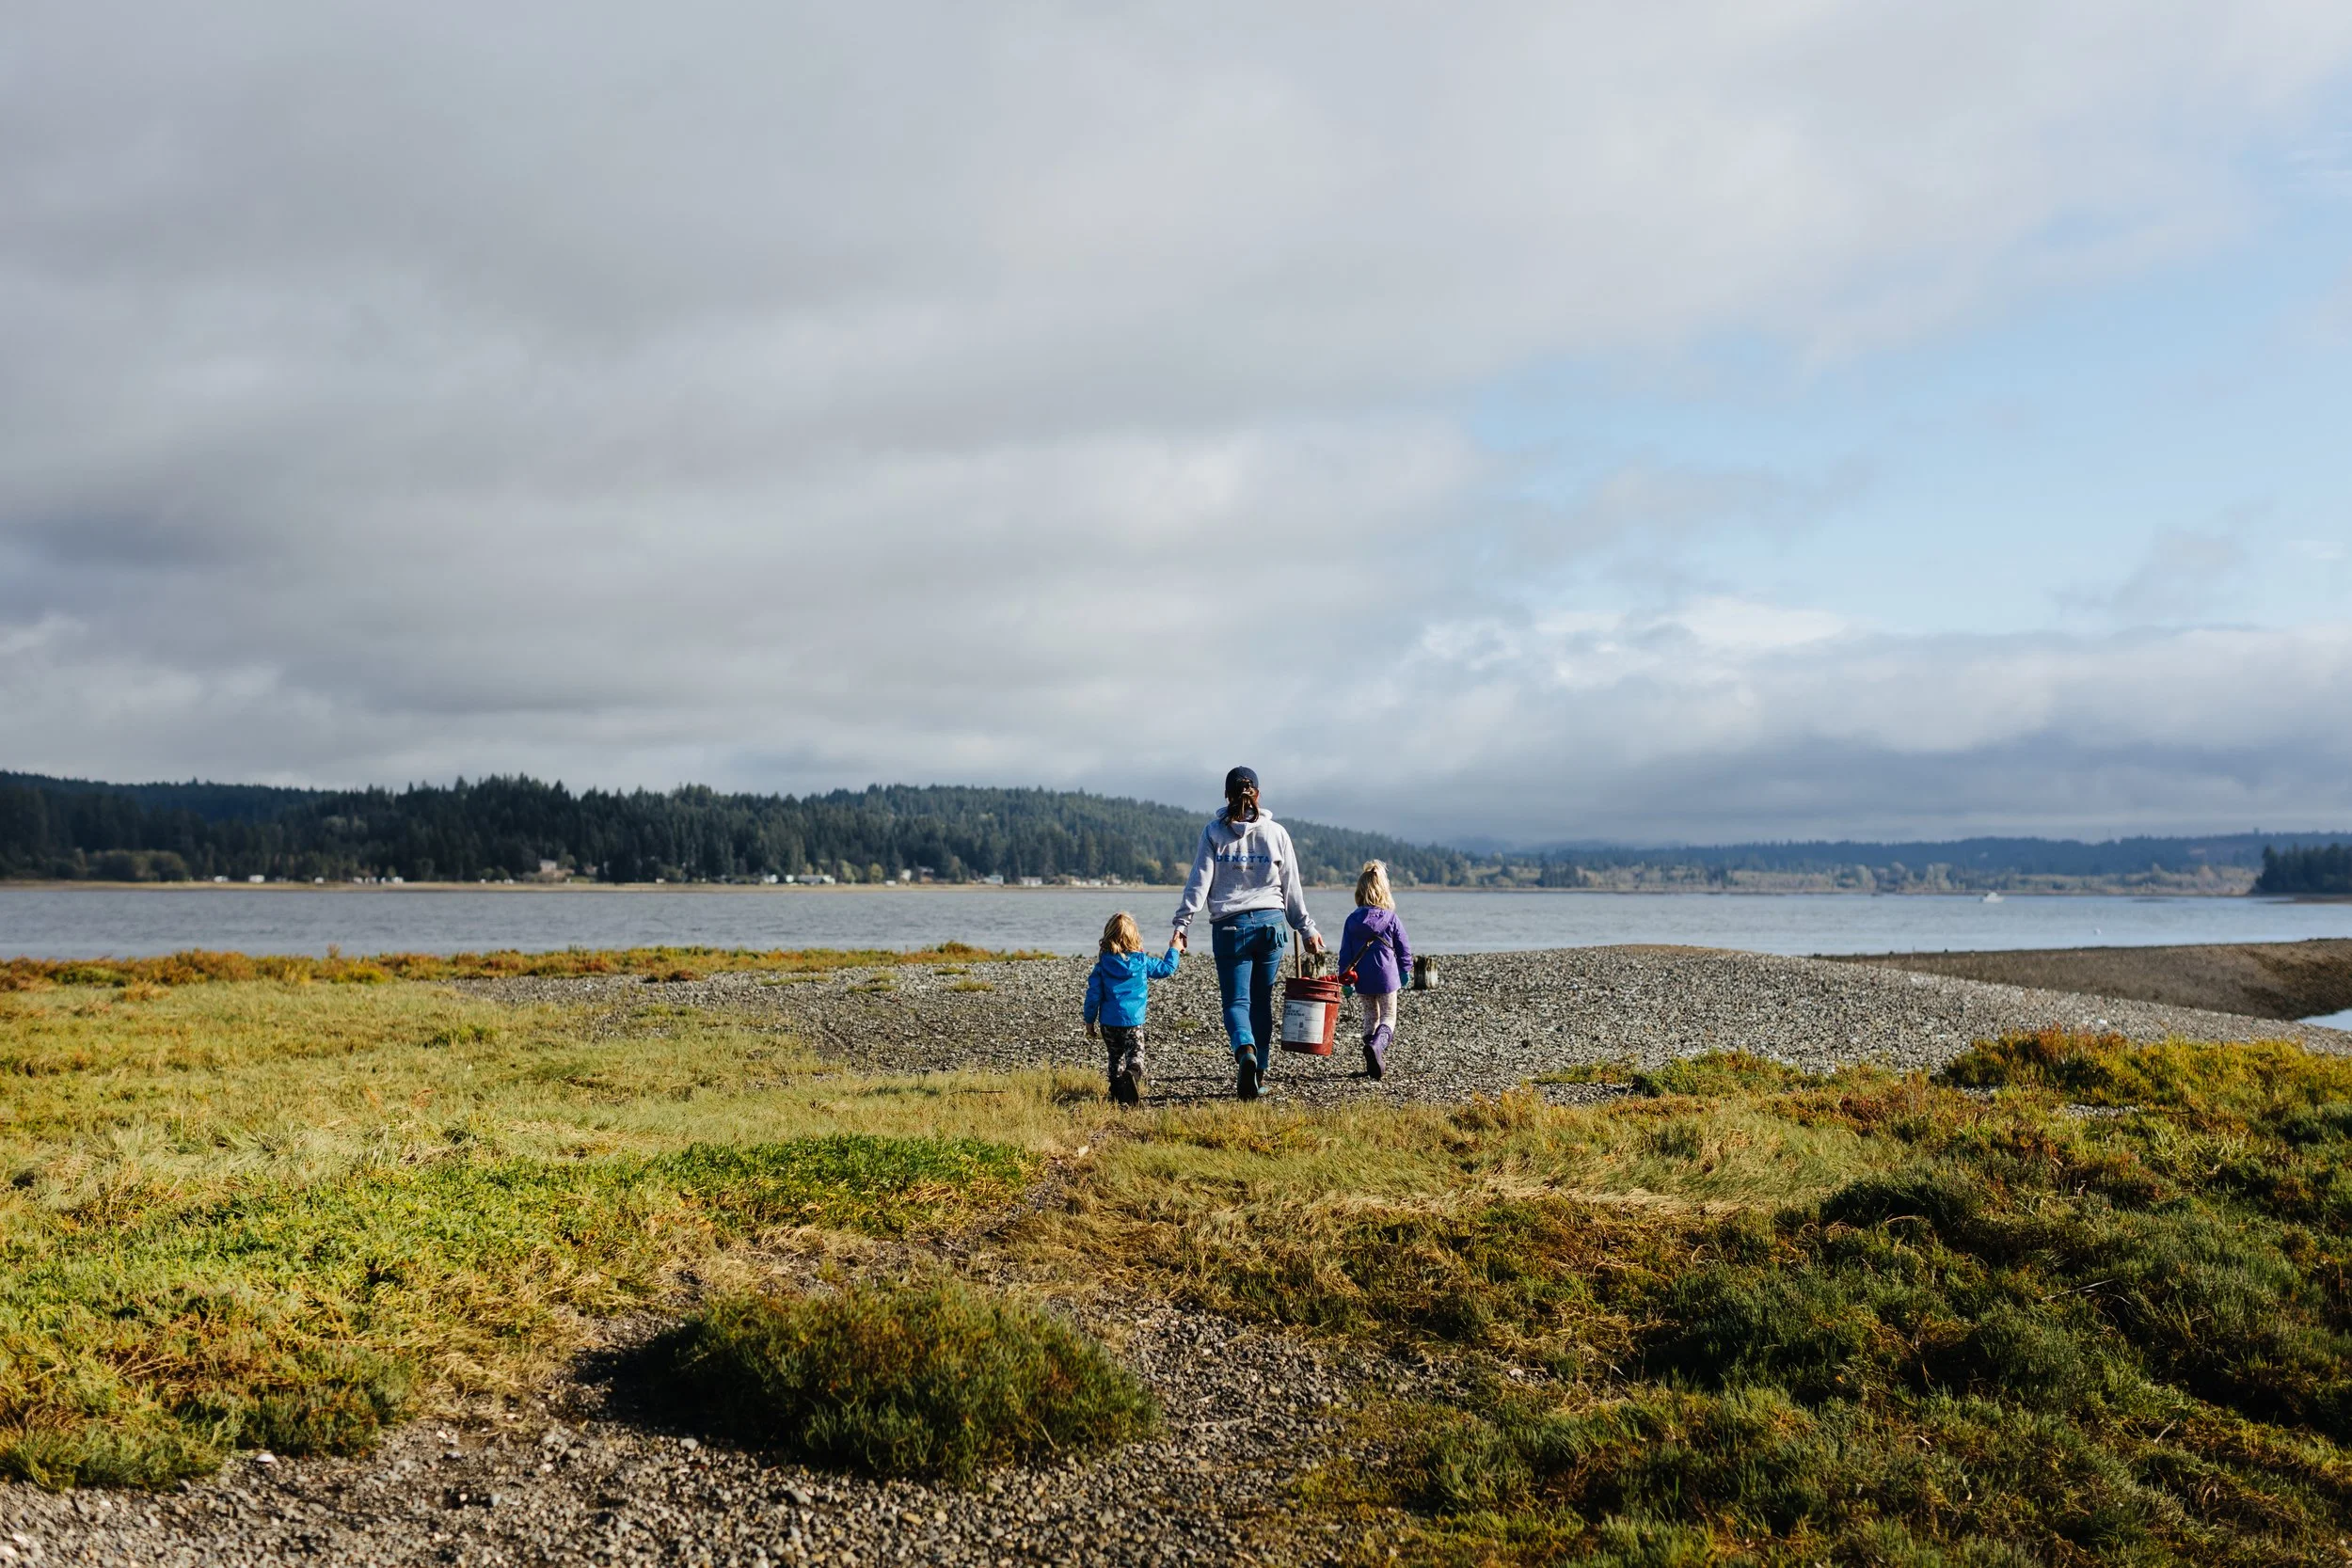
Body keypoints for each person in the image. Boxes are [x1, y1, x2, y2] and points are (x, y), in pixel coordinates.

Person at [1169, 766, 1323, 1101]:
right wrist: (1306, 928)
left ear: (1227, 795)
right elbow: (1291, 888)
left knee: (1237, 1002)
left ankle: (1245, 1052)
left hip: (1229, 928)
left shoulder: (1213, 832)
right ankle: (1259, 1073)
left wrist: (1182, 925)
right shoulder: (1277, 833)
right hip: (1271, 925)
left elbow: (1199, 883)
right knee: (1262, 1002)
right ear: (1258, 794)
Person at [1083, 911, 1181, 1105]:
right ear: (1135, 937)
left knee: (1114, 1057)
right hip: (1133, 1022)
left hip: (1108, 1022)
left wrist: (1089, 1020)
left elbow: (1093, 995)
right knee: (1135, 1055)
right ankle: (1132, 1075)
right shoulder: (1142, 962)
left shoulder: (1102, 966)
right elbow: (1166, 969)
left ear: (1108, 936)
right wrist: (1174, 949)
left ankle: (1116, 1092)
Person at [1335, 860, 1413, 1081]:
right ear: (1383, 891)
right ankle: (1377, 1047)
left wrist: (1345, 981)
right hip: (1387, 977)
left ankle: (1371, 1060)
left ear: (1359, 892)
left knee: (1370, 1016)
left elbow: (1345, 953)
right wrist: (1405, 970)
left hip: (1362, 978)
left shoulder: (1352, 920)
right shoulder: (1391, 918)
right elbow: (1404, 948)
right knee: (1388, 1016)